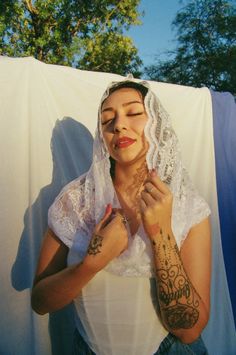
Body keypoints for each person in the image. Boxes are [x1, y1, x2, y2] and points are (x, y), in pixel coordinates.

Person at [31, 79, 211, 355]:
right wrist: (91, 264)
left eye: (134, 113)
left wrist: (161, 234)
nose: (119, 125)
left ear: (157, 124)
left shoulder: (188, 205)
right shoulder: (75, 202)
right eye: (107, 120)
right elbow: (40, 302)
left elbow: (189, 332)